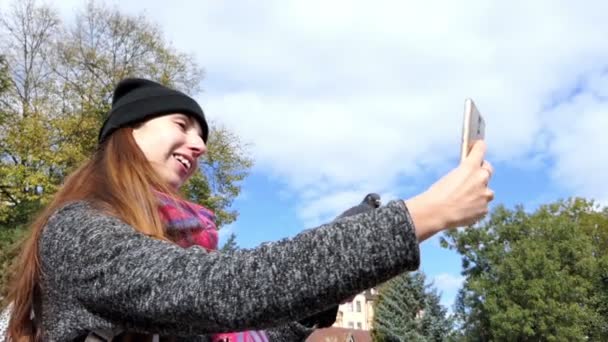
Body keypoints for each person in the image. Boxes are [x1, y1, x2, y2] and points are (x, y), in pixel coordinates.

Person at [1, 78, 494, 341]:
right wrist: (423, 215)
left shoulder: (167, 239)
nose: (198, 144)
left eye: (202, 135)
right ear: (129, 131)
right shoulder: (79, 230)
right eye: (182, 124)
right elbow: (218, 292)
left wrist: (326, 292)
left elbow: (238, 326)